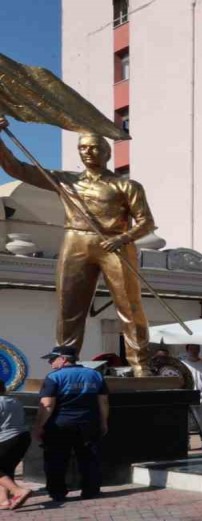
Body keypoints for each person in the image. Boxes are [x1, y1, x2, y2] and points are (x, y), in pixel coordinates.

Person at [0, 120, 157, 377]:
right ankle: (65, 358)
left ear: (106, 153)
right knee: (69, 306)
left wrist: (124, 237)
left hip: (115, 244)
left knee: (129, 306)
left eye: (94, 148)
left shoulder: (127, 186)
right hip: (76, 242)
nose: (88, 152)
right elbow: (16, 168)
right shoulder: (65, 181)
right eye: (83, 148)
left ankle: (140, 363)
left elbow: (146, 222)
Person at [32, 345, 109, 501]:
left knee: (56, 459)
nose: (50, 363)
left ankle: (57, 492)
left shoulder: (54, 377)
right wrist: (103, 423)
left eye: (52, 359)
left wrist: (39, 426)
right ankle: (91, 490)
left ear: (63, 359)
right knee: (89, 458)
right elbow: (104, 402)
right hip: (88, 423)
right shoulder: (95, 375)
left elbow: (47, 404)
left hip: (60, 425)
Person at [0, 382, 33, 510]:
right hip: (22, 437)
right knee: (5, 469)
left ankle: (18, 491)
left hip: (6, 438)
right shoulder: (14, 401)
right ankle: (4, 500)